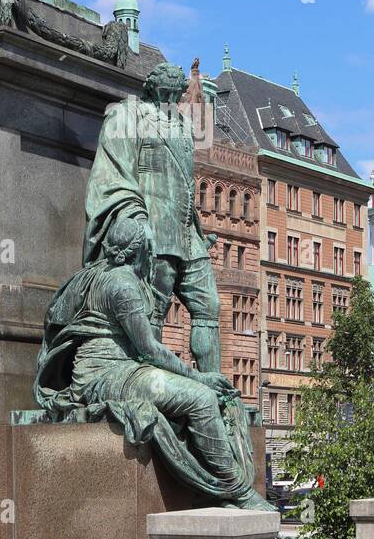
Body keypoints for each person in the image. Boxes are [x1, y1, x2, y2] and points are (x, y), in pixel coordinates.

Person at [34, 214, 272, 509]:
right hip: (109, 375)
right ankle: (236, 490)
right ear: (139, 250)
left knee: (192, 394)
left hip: (104, 371)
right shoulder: (123, 286)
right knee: (200, 398)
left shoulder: (93, 274)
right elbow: (150, 350)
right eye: (149, 246)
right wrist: (201, 377)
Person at [83, 61, 221, 372]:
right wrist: (135, 222)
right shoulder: (127, 115)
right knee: (153, 308)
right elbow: (113, 174)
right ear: (153, 88)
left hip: (188, 234)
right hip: (154, 228)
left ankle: (217, 387)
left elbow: (183, 183)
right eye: (166, 93)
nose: (172, 101)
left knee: (209, 306)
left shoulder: (184, 125)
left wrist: (197, 228)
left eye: (177, 94)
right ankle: (152, 382)